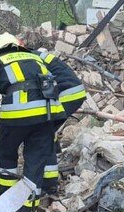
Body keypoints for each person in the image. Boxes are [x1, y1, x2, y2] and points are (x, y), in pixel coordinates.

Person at [0, 33, 66, 212]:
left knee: (6, 154)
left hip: (17, 116)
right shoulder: (35, 58)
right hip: (47, 115)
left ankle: (7, 199)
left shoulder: (0, 62)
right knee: (35, 161)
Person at [32, 48, 86, 194]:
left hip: (67, 94)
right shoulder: (34, 56)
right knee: (48, 127)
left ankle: (49, 184)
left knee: (43, 133)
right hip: (72, 91)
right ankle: (56, 153)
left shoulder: (26, 60)